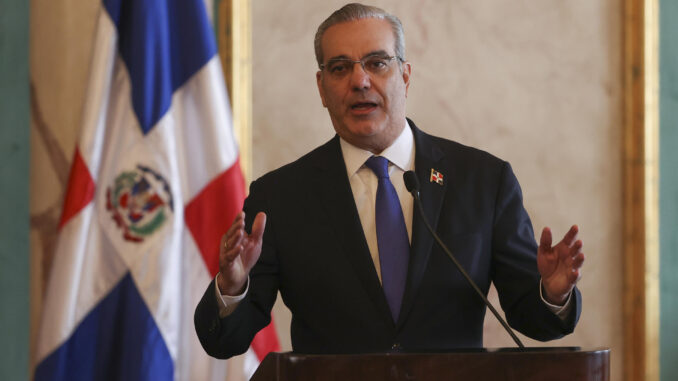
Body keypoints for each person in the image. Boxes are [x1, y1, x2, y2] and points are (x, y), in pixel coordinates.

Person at [194, 3, 585, 358]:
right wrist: (231, 289)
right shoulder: (280, 197)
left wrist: (552, 293)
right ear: (322, 88)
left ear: (406, 75)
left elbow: (532, 318)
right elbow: (225, 340)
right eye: (340, 68)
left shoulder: (483, 181)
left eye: (377, 63)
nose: (360, 81)